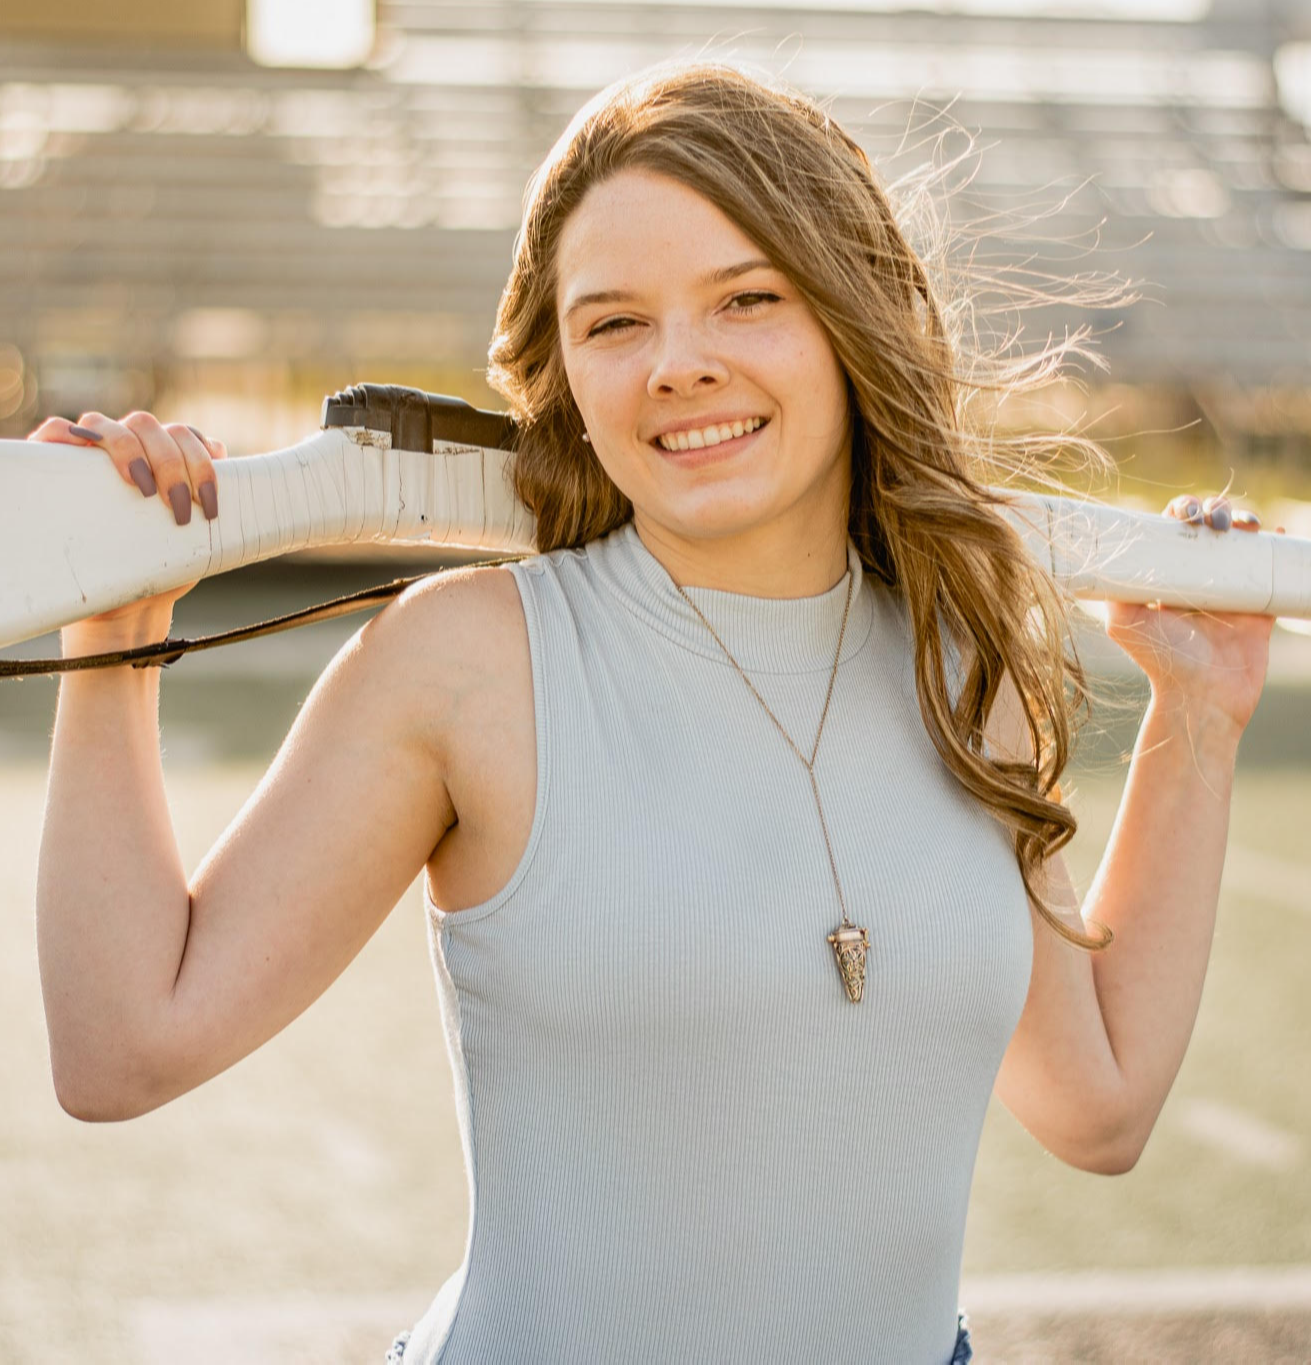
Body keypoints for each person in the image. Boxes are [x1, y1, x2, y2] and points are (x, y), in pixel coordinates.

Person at [30, 62, 1274, 1365]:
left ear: (853, 318)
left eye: (746, 299)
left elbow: (1100, 1107)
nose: (680, 365)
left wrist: (1199, 710)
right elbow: (124, 1051)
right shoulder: (466, 661)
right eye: (614, 323)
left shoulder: (958, 668)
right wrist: (117, 622)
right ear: (561, 366)